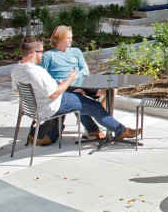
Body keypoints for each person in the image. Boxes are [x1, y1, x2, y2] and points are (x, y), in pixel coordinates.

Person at [11, 38, 140, 145]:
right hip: (52, 106)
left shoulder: (17, 69)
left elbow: (17, 89)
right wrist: (69, 80)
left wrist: (56, 84)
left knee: (79, 96)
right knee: (94, 106)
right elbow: (53, 94)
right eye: (40, 52)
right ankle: (121, 131)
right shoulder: (37, 72)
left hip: (34, 108)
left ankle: (92, 130)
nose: (42, 54)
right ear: (33, 53)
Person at [41, 25, 105, 138]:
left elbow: (84, 70)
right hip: (63, 86)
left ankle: (99, 116)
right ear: (59, 39)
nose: (71, 40)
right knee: (78, 93)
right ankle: (91, 128)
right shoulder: (48, 56)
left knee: (111, 90)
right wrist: (61, 81)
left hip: (80, 82)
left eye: (71, 37)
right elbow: (42, 76)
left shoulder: (76, 51)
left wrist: (75, 77)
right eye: (68, 38)